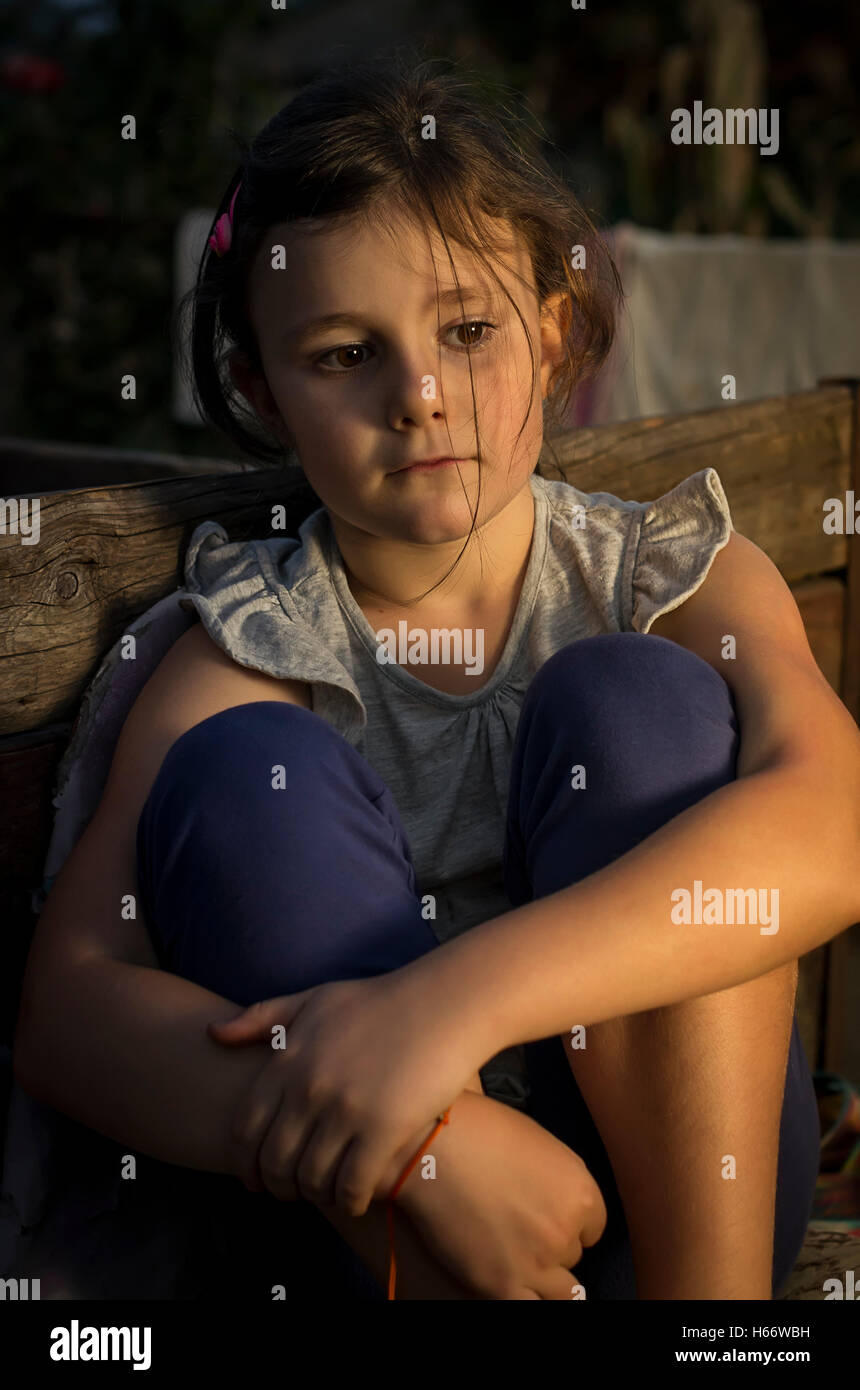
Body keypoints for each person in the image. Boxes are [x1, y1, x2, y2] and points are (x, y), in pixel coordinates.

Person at [15, 52, 859, 1302]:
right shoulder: (253, 648)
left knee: (634, 706)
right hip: (395, 1225)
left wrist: (442, 1010)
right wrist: (422, 1140)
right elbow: (69, 1014)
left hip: (678, 1218)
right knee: (248, 776)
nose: (419, 396)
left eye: (467, 331)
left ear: (556, 333)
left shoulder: (668, 578)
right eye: (345, 356)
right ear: (260, 389)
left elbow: (832, 826)